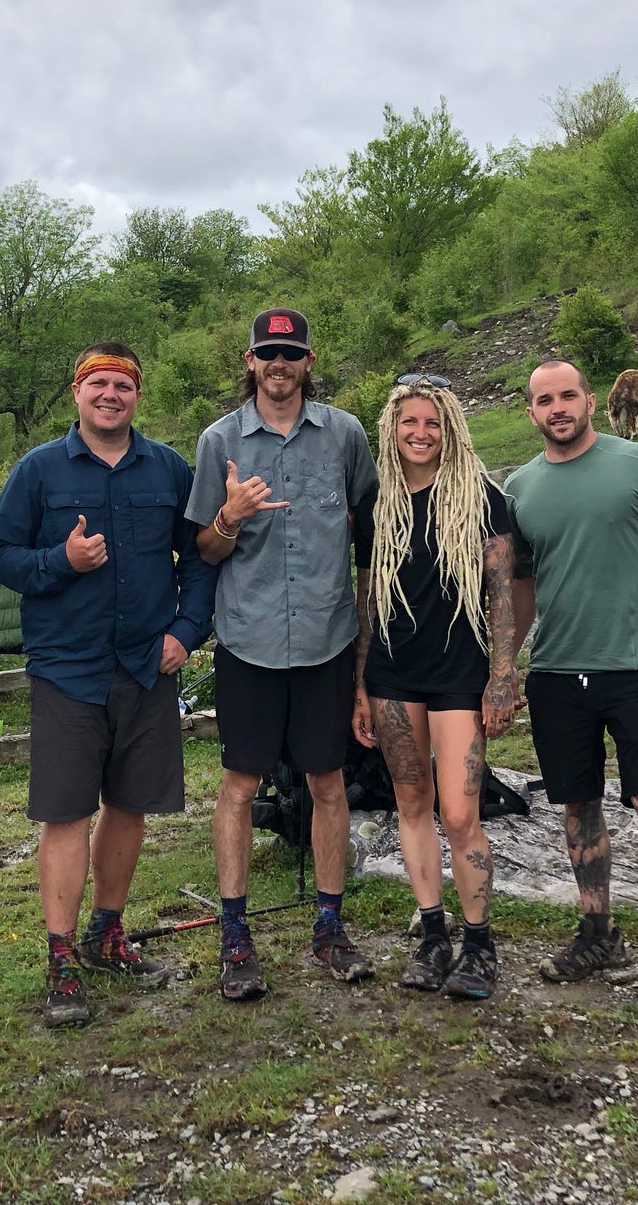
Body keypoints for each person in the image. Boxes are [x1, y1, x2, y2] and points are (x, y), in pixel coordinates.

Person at [0, 343, 215, 1028]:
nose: (111, 394)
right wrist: (63, 559)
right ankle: (61, 956)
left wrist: (187, 629)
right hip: (68, 668)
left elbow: (200, 555)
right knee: (65, 813)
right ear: (77, 392)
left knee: (131, 805)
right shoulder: (39, 471)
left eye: (124, 384)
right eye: (98, 383)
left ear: (137, 395)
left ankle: (107, 933)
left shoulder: (169, 468)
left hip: (148, 662)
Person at [504, 359, 638, 1018]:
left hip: (634, 668)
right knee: (576, 806)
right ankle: (598, 932)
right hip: (558, 673)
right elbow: (521, 586)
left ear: (591, 401)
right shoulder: (519, 488)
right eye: (545, 399)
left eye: (568, 395)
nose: (558, 407)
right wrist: (504, 664)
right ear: (532, 412)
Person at [188, 308, 380, 1001]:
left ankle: (329, 924)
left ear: (307, 359)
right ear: (249, 361)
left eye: (290, 353)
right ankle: (235, 934)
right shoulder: (218, 443)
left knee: (328, 783)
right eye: (267, 353)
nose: (279, 364)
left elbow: (368, 534)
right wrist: (229, 517)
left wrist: (365, 640)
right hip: (250, 642)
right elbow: (203, 551)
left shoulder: (346, 435)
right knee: (239, 786)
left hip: (328, 640)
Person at [350, 374, 520, 1000]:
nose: (420, 434)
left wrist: (503, 674)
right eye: (409, 423)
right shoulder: (376, 507)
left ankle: (479, 942)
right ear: (392, 430)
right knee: (411, 805)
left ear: (450, 430)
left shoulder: (482, 498)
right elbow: (367, 600)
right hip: (393, 673)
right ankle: (432, 934)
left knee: (459, 812)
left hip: (458, 672)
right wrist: (360, 685)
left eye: (433, 423)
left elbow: (503, 597)